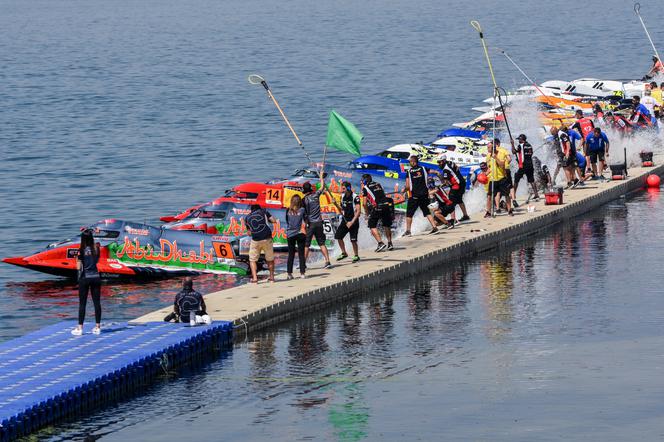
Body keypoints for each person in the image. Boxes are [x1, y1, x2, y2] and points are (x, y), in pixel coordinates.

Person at [72, 229, 102, 336]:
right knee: (97, 303)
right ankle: (98, 327)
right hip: (96, 276)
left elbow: (79, 267)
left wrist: (77, 260)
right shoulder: (97, 248)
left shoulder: (80, 250)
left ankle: (80, 328)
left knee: (82, 303)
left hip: (85, 277)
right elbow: (97, 260)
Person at [403, 154, 437, 236]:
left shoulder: (409, 171)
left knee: (409, 214)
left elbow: (407, 186)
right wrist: (438, 173)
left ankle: (408, 231)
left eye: (410, 162)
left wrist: (403, 190)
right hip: (424, 195)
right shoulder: (424, 169)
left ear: (413, 162)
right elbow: (433, 171)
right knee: (426, 212)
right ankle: (434, 227)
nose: (409, 163)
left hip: (414, 196)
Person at [302, 178, 331, 268]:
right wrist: (321, 177)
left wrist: (304, 224)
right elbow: (322, 187)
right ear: (310, 189)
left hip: (310, 224)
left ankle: (303, 264)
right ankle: (327, 261)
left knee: (306, 244)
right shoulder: (316, 195)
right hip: (319, 223)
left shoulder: (303, 200)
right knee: (321, 243)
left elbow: (304, 214)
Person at [432, 154, 470, 222]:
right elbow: (457, 167)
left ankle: (453, 219)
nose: (438, 164)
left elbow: (445, 182)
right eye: (438, 162)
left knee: (450, 201)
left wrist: (439, 178)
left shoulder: (446, 170)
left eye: (440, 162)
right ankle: (465, 215)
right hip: (461, 182)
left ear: (443, 161)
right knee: (459, 200)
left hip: (457, 185)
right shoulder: (450, 162)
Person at [361, 174, 393, 252]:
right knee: (386, 225)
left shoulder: (365, 188)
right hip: (386, 205)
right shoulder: (378, 184)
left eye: (362, 180)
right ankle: (390, 243)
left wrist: (367, 213)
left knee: (371, 225)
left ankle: (380, 243)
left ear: (365, 181)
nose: (361, 182)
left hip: (378, 207)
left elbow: (364, 203)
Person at [246, 204, 276, 283]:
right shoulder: (264, 211)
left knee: (252, 260)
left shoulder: (247, 217)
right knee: (270, 259)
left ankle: (255, 279)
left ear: (251, 210)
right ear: (259, 208)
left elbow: (249, 233)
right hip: (267, 238)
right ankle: (272, 278)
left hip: (255, 240)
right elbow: (273, 220)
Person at [331, 181, 361, 262]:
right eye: (342, 188)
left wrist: (351, 222)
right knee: (338, 236)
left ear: (348, 188)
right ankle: (344, 253)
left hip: (353, 221)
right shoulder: (342, 196)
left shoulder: (355, 197)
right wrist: (335, 204)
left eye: (343, 188)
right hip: (345, 220)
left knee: (353, 240)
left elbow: (358, 211)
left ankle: (356, 255)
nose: (342, 190)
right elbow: (341, 210)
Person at [484, 139, 513, 217]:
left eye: (489, 148)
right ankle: (488, 212)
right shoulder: (488, 156)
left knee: (506, 194)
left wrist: (496, 158)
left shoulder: (500, 153)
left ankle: (510, 210)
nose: (487, 149)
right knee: (489, 195)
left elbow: (502, 165)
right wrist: (485, 174)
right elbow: (489, 168)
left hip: (501, 178)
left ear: (493, 148)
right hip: (492, 179)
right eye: (487, 147)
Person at [512, 134, 540, 202]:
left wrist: (512, 144)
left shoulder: (520, 145)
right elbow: (531, 153)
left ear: (522, 139)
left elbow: (514, 152)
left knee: (516, 178)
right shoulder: (529, 145)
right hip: (530, 164)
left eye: (519, 139)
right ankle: (536, 195)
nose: (518, 140)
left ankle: (513, 194)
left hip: (523, 165)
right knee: (531, 180)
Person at [285, 194, 306, 280]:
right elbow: (305, 220)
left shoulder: (288, 211)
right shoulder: (302, 210)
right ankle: (302, 273)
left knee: (291, 254)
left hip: (290, 234)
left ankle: (289, 274)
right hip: (300, 233)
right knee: (301, 254)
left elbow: (287, 221)